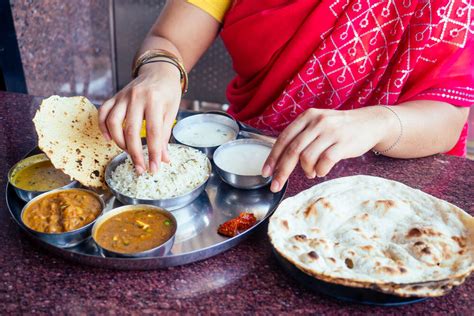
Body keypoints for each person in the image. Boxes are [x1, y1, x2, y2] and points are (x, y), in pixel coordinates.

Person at [99, 0, 472, 193]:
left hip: (390, 182)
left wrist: (376, 123)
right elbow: (170, 40)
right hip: (253, 169)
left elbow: (448, 120)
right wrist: (159, 70)